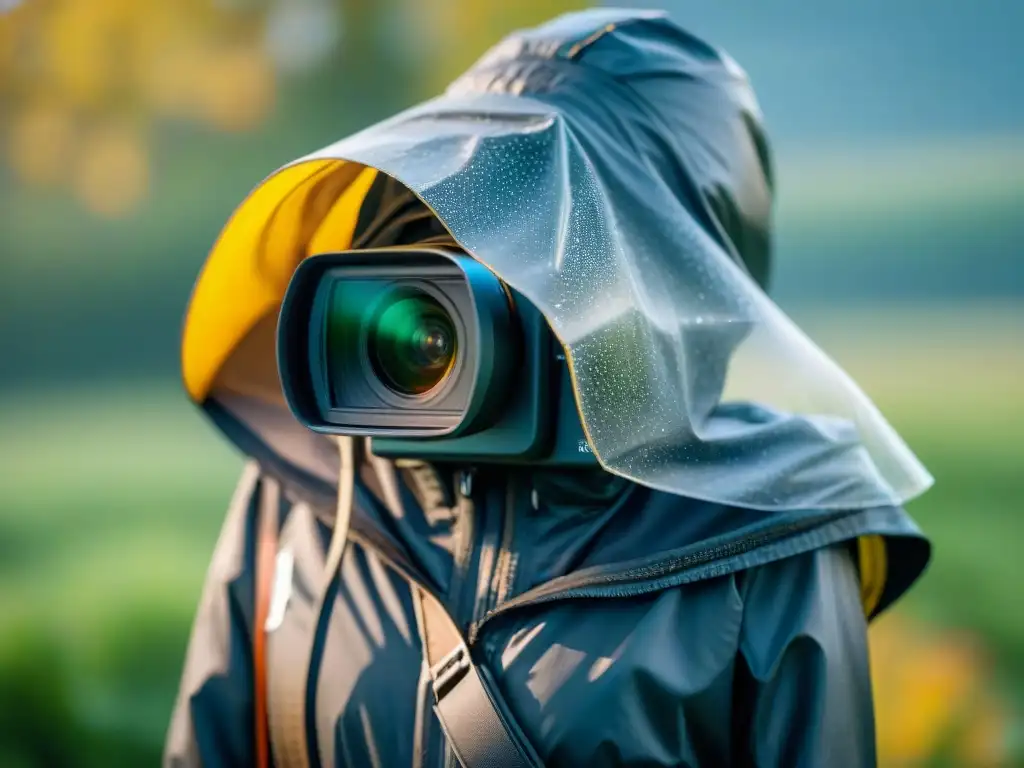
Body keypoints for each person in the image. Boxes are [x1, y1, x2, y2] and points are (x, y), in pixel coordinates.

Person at [165, 9, 932, 768]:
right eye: (461, 207)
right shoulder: (310, 484)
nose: (491, 264)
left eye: (547, 234)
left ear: (674, 283)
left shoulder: (766, 530)